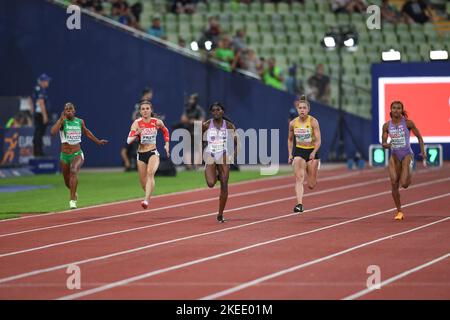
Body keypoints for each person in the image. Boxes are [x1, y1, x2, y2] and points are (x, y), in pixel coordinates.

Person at [50, 103, 108, 209]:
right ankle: (74, 193)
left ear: (74, 111)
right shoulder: (63, 122)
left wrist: (98, 141)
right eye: (66, 109)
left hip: (77, 153)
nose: (68, 110)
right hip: (64, 155)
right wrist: (59, 120)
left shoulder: (79, 121)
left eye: (70, 109)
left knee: (73, 170)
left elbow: (86, 132)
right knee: (67, 182)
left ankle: (72, 200)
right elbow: (52, 132)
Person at [381, 101, 425, 220]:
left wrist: (423, 151)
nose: (396, 110)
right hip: (394, 156)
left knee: (404, 184)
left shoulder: (408, 123)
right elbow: (383, 143)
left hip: (406, 154)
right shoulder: (386, 126)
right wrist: (387, 145)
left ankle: (408, 170)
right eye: (394, 108)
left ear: (402, 110)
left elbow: (419, 137)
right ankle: (399, 211)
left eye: (399, 108)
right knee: (394, 183)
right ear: (390, 110)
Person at [127, 100, 170, 209]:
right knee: (143, 183)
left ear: (151, 110)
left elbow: (165, 131)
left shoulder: (157, 122)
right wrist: (137, 132)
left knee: (150, 173)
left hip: (153, 152)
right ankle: (149, 193)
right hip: (141, 155)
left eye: (147, 108)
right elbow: (128, 140)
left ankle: (146, 200)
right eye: (143, 109)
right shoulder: (136, 123)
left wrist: (167, 145)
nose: (145, 111)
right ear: (140, 111)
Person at [202, 102, 238, 223]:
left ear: (223, 111)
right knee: (211, 183)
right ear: (211, 113)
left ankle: (220, 214)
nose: (216, 112)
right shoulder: (206, 125)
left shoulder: (229, 126)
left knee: (224, 183)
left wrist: (233, 156)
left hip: (223, 154)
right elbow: (198, 140)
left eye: (218, 110)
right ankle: (213, 174)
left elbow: (238, 143)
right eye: (213, 110)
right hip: (210, 154)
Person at [288, 95, 321, 213]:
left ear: (308, 110)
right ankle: (299, 204)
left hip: (311, 151)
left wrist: (314, 152)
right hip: (299, 151)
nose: (302, 110)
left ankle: (313, 171)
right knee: (299, 178)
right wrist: (290, 154)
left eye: (304, 108)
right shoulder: (293, 123)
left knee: (311, 184)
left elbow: (318, 140)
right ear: (297, 110)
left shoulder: (313, 122)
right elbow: (290, 139)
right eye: (300, 108)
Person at [32, 73, 51, 157]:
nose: (48, 83)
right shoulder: (41, 90)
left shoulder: (36, 88)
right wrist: (45, 116)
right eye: (47, 81)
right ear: (43, 81)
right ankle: (38, 152)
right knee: (39, 134)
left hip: (37, 114)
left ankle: (38, 151)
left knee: (38, 133)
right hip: (40, 115)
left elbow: (30, 101)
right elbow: (41, 102)